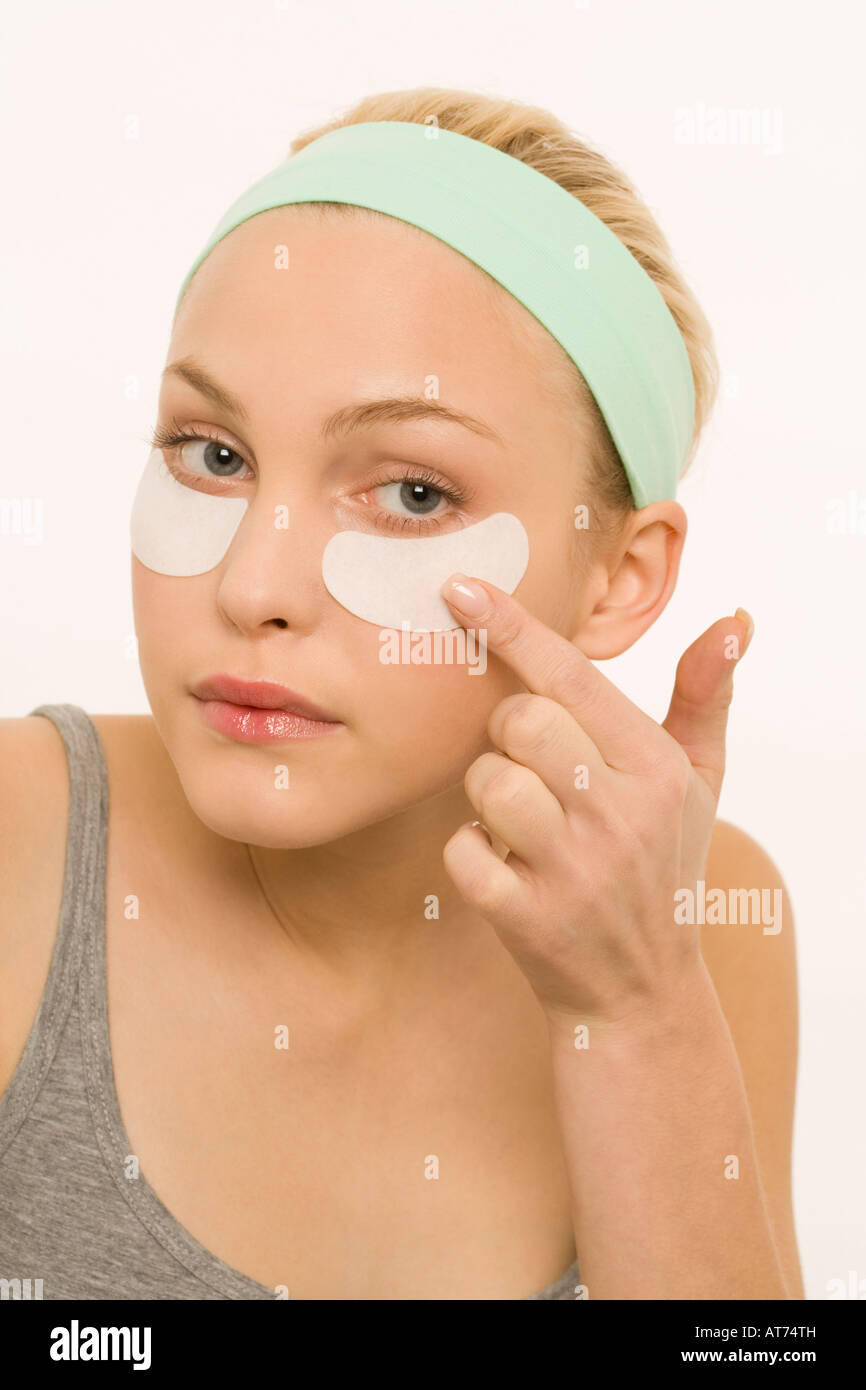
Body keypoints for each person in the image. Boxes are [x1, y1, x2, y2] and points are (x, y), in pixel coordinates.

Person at [0, 86, 803, 1300]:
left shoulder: (703, 908)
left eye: (413, 494)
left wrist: (636, 1009)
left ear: (619, 577)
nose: (253, 584)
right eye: (212, 454)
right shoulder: (22, 846)